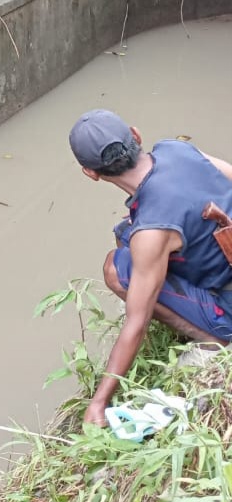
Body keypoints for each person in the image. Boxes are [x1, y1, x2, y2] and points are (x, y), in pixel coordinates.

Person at [68, 109, 232, 425]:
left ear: (90, 172)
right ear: (136, 135)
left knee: (118, 269)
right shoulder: (177, 149)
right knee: (125, 233)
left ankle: (218, 340)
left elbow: (136, 322)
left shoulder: (152, 231)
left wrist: (99, 402)